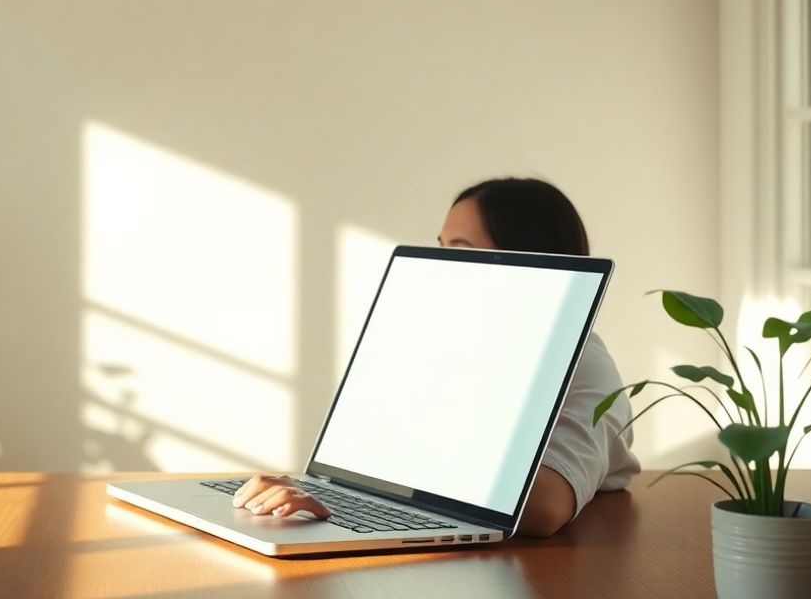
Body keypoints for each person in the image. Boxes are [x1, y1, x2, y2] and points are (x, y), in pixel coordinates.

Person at [232, 177, 641, 537]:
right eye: (442, 247)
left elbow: (544, 509)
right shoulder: (450, 346)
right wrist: (323, 495)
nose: (441, 266)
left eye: (462, 250)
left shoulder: (586, 362)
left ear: (530, 259)